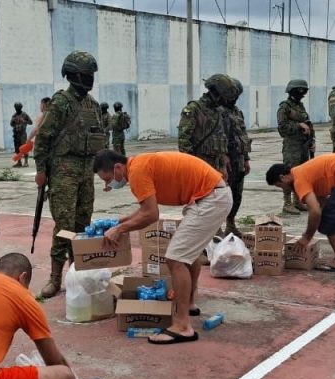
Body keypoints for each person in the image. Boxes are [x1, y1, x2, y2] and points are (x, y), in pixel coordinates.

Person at [94, 149, 232, 345]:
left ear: (117, 167)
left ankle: (183, 326)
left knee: (175, 259)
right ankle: (189, 304)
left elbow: (151, 215)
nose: (109, 185)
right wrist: (120, 221)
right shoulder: (140, 164)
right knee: (188, 255)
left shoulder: (137, 172)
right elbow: (145, 209)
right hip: (211, 196)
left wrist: (120, 229)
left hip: (210, 200)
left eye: (108, 179)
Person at [33, 51, 108, 298]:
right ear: (74, 75)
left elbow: (99, 139)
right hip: (63, 170)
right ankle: (55, 277)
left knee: (82, 226)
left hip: (86, 170)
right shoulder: (61, 103)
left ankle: (78, 272)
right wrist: (42, 170)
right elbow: (43, 138)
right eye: (86, 75)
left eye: (91, 75)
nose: (90, 79)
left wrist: (103, 171)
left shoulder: (93, 105)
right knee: (64, 226)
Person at [265, 153, 335, 272]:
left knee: (330, 221)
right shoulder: (304, 171)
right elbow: (321, 203)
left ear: (283, 177)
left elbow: (315, 211)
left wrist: (307, 237)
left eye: (280, 185)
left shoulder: (299, 179)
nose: (283, 188)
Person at [177, 74, 235, 178]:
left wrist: (223, 159)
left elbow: (222, 137)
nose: (226, 101)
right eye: (224, 97)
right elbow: (184, 140)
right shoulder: (194, 109)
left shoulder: (219, 111)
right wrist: (191, 164)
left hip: (217, 166)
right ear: (216, 93)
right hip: (199, 164)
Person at [276, 78, 313, 215]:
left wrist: (312, 141)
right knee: (289, 174)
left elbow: (308, 123)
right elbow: (282, 128)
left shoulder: (300, 106)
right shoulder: (284, 107)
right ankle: (287, 203)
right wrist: (298, 126)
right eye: (299, 90)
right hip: (292, 146)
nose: (302, 93)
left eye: (304, 91)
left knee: (301, 174)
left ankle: (298, 201)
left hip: (303, 145)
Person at [223, 78, 251, 236]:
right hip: (225, 160)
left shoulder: (237, 111)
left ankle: (230, 223)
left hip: (239, 158)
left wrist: (246, 158)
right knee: (221, 195)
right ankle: (216, 226)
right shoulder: (218, 111)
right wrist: (223, 155)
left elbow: (243, 134)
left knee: (236, 194)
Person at [9, 102, 32, 167]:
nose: (17, 109)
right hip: (16, 134)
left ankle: (26, 162)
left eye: (18, 108)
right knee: (17, 149)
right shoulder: (14, 115)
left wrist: (23, 121)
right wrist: (13, 121)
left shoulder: (24, 115)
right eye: (16, 108)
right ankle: (19, 162)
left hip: (22, 134)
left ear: (21, 108)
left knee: (24, 148)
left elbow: (31, 122)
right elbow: (11, 124)